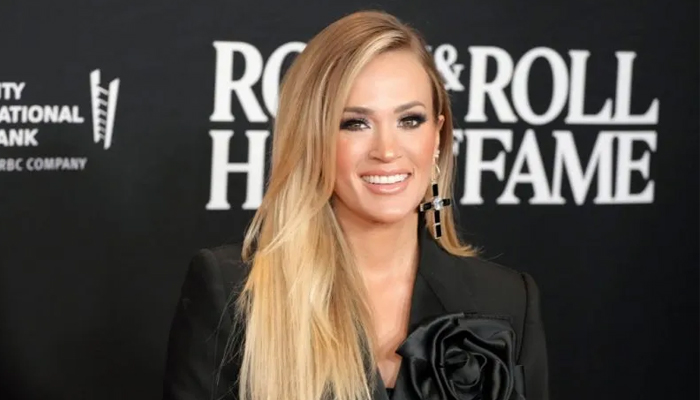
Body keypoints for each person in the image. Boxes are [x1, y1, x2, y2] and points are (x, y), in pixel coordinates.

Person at [162, 10, 548, 400]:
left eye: (410, 120)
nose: (387, 150)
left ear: (438, 136)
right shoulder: (234, 294)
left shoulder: (507, 299)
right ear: (312, 140)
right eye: (355, 123)